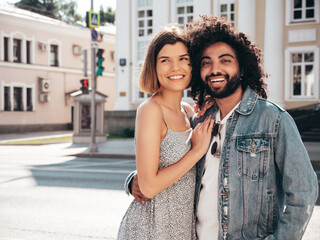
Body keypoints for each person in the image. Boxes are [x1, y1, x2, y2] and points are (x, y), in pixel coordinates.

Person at [127, 16, 318, 240]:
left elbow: (303, 193)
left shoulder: (273, 119)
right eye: (206, 62)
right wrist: (135, 180)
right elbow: (172, 165)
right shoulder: (199, 119)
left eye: (225, 60)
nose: (215, 69)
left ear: (243, 68)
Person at [117, 25, 213, 240]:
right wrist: (195, 152)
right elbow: (149, 187)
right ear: (153, 66)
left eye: (182, 59)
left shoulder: (188, 111)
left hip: (181, 230)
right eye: (164, 60)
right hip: (151, 229)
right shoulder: (151, 110)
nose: (174, 67)